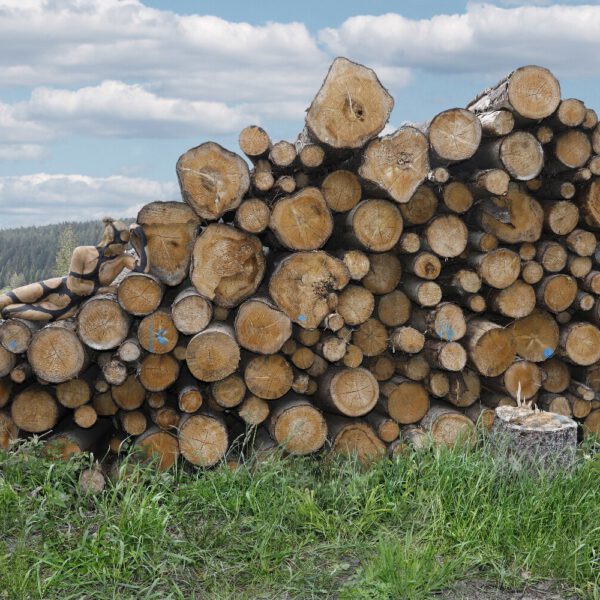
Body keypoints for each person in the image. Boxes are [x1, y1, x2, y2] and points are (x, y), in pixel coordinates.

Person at [0, 218, 149, 321]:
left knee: (7, 311)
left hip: (67, 306)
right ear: (110, 240)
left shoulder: (122, 259)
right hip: (57, 285)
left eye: (127, 244)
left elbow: (144, 269)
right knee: (4, 300)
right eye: (122, 243)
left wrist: (140, 240)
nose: (124, 247)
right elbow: (74, 285)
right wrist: (105, 289)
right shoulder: (82, 252)